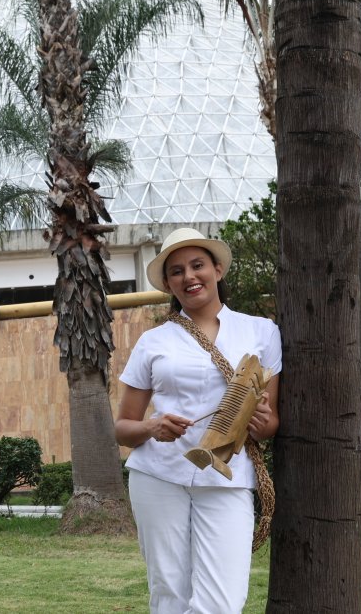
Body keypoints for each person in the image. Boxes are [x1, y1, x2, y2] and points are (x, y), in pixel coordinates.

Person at [114, 227, 281, 614]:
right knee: (169, 593)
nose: (189, 276)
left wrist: (262, 421)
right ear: (169, 284)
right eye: (177, 271)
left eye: (197, 265)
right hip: (159, 476)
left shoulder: (261, 332)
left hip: (227, 477)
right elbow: (123, 428)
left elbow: (272, 426)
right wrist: (153, 427)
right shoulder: (153, 342)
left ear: (218, 270)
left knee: (222, 601)